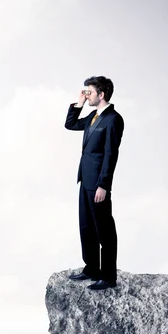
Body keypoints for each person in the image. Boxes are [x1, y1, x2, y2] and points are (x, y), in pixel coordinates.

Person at [64, 76, 125, 290]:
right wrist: (79, 103)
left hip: (98, 183)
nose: (87, 94)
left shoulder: (113, 119)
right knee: (86, 227)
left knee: (104, 230)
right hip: (85, 179)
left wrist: (104, 185)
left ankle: (108, 276)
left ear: (101, 94)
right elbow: (70, 124)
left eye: (89, 92)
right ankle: (92, 268)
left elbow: (110, 155)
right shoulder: (92, 115)